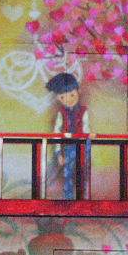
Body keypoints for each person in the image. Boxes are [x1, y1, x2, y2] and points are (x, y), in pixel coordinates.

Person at [46, 72, 90, 200]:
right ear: (58, 98)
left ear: (78, 92)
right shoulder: (61, 113)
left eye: (72, 94)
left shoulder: (83, 111)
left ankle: (83, 198)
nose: (69, 99)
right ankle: (68, 198)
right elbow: (56, 132)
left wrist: (87, 144)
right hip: (68, 147)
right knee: (68, 173)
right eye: (63, 97)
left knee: (83, 173)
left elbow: (86, 128)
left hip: (82, 146)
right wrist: (58, 153)